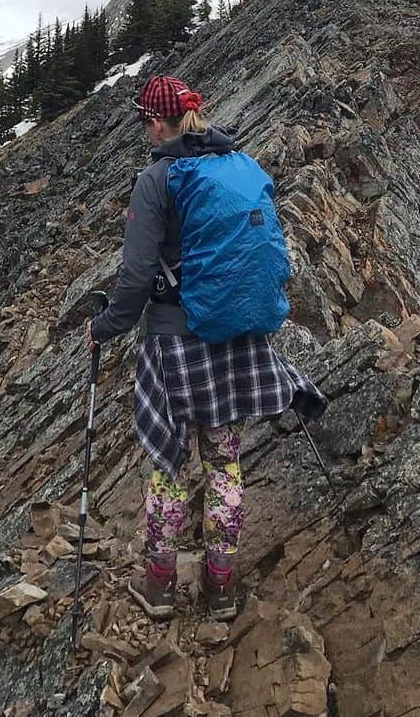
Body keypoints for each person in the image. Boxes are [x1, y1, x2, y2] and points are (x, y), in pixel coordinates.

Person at [88, 75, 327, 621]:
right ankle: (221, 589)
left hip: (176, 345)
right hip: (235, 338)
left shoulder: (157, 179)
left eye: (143, 119)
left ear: (155, 121)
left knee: (168, 465)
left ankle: (161, 585)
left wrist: (105, 327)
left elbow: (136, 275)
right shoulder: (234, 163)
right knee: (225, 463)